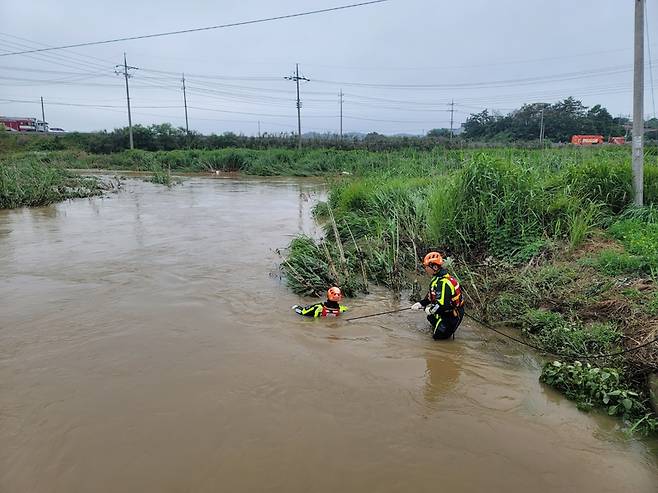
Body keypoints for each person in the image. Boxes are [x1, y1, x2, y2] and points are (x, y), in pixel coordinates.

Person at [411, 252, 465, 340]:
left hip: (452, 316)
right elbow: (431, 294)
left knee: (437, 339)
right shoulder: (437, 279)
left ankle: (445, 330)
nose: (425, 269)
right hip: (445, 313)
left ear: (435, 267)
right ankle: (439, 326)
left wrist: (430, 310)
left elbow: (443, 306)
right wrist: (421, 303)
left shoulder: (443, 283)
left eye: (427, 267)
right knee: (430, 317)